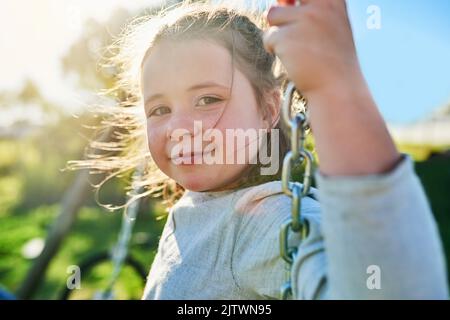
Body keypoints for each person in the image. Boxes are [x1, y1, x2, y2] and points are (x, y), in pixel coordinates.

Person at [73, 0, 449, 299]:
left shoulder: (267, 221)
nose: (177, 127)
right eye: (159, 109)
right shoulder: (194, 207)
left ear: (270, 109)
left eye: (207, 99)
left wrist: (336, 88)